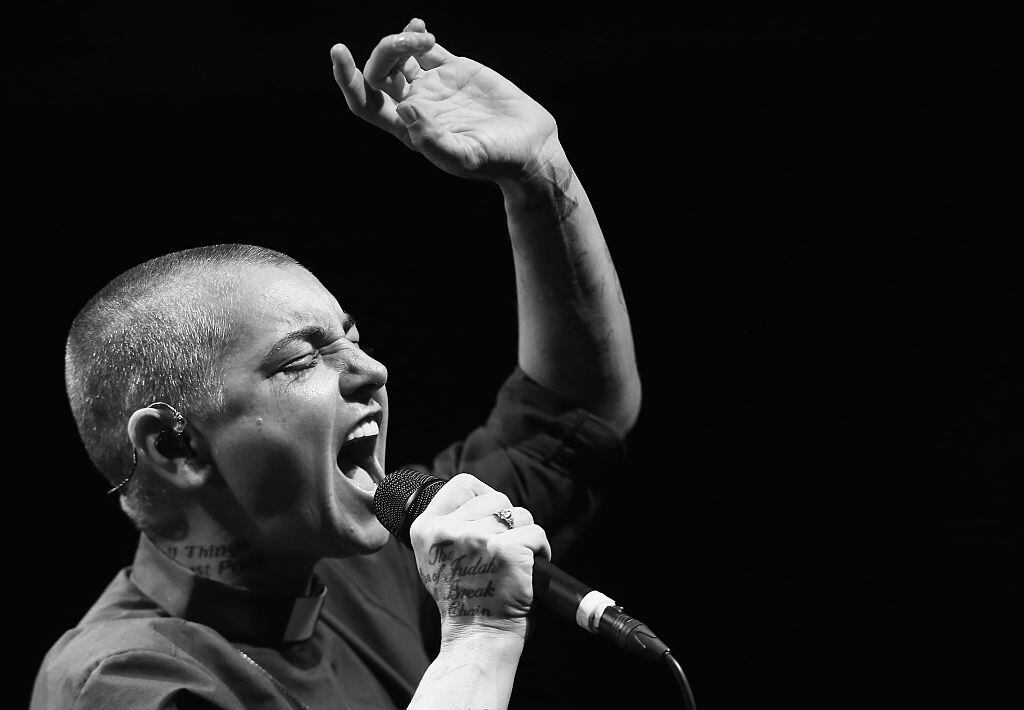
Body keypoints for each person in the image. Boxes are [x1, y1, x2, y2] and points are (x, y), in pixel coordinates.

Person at [31, 17, 640, 710]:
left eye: (353, 337)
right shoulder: (119, 681)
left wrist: (537, 174)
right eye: (300, 361)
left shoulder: (366, 567)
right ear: (175, 445)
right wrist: (477, 637)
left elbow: (573, 420)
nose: (372, 372)